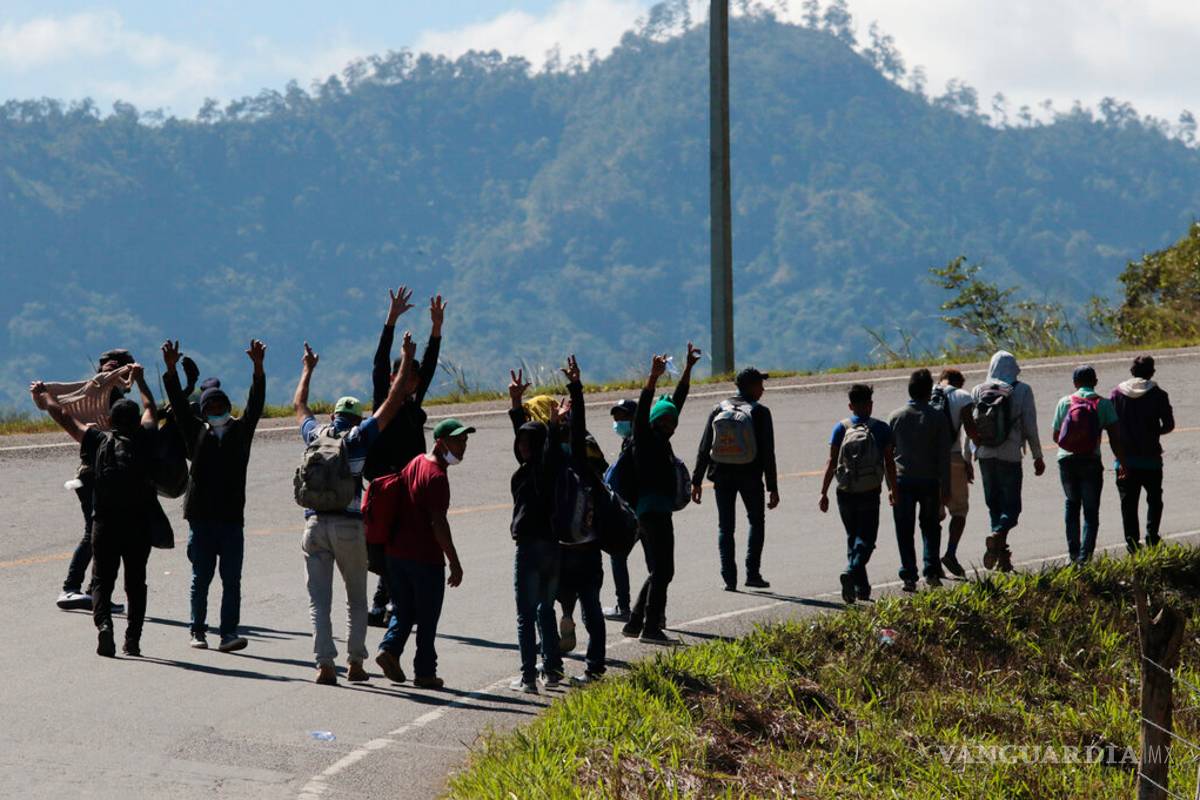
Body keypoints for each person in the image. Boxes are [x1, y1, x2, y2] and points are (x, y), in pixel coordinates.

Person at [294, 339, 411, 686]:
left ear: (332, 416)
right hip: (349, 526)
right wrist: (405, 360)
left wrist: (308, 369)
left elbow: (299, 404)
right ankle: (355, 664)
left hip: (314, 525)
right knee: (356, 601)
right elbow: (392, 403)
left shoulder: (315, 435)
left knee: (319, 602)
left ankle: (324, 664)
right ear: (356, 417)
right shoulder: (360, 437)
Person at [33, 365, 159, 657]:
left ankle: (104, 626)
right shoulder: (146, 438)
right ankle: (133, 641)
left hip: (105, 524)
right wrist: (139, 379)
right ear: (135, 422)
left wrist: (46, 396)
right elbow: (151, 407)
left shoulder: (97, 441)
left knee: (102, 580)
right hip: (138, 525)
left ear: (110, 421)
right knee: (135, 582)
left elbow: (65, 417)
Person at [162, 339, 267, 652]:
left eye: (221, 407)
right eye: (212, 408)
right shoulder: (196, 432)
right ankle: (197, 630)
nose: (217, 411)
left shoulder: (241, 431)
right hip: (202, 518)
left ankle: (228, 634)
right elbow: (179, 408)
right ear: (204, 411)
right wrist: (170, 370)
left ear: (228, 408)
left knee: (231, 580)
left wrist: (258, 368)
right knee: (201, 578)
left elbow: (256, 403)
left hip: (232, 519)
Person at [31, 348, 140, 612]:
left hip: (98, 476)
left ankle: (95, 592)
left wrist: (43, 396)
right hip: (94, 475)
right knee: (95, 532)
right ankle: (70, 588)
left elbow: (58, 408)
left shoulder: (112, 395)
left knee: (106, 535)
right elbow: (62, 411)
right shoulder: (108, 397)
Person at [364, 288, 445, 627]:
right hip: (384, 482)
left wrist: (436, 328)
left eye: (415, 378)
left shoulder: (413, 403)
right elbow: (380, 361)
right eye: (407, 375)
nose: (413, 382)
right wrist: (391, 320)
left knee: (401, 542)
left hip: (410, 485)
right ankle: (386, 602)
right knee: (385, 541)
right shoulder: (385, 402)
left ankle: (386, 602)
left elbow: (429, 364)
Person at [374, 418, 469, 690]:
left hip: (396, 554)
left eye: (464, 441)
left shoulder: (416, 462)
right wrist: (454, 562)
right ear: (440, 443)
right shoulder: (437, 477)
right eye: (457, 440)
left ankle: (389, 649)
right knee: (427, 618)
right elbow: (438, 523)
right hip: (424, 558)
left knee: (404, 610)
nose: (462, 446)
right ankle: (425, 672)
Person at [621, 343, 700, 645]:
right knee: (664, 570)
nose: (669, 424)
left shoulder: (661, 438)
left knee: (659, 570)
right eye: (664, 420)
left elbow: (675, 403)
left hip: (656, 510)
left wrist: (688, 369)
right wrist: (652, 379)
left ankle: (636, 622)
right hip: (651, 511)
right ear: (654, 422)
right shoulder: (644, 438)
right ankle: (650, 628)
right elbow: (644, 411)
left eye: (672, 422)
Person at [505, 367, 571, 692]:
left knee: (526, 614)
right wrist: (516, 404)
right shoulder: (538, 468)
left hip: (531, 547)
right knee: (545, 609)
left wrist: (555, 424)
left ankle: (529, 677)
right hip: (552, 548)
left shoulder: (545, 468)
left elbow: (543, 444)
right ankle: (553, 669)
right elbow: (531, 435)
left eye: (526, 443)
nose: (522, 446)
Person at [690, 367, 780, 591]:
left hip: (721, 475)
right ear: (750, 387)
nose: (763, 389)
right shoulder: (760, 412)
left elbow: (704, 447)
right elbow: (768, 452)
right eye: (760, 384)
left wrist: (696, 481)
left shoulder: (718, 408)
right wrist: (772, 487)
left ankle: (729, 579)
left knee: (725, 527)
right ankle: (752, 573)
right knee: (756, 522)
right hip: (750, 475)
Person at [819, 384, 896, 603]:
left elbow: (831, 461)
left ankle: (861, 588)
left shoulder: (840, 428)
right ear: (870, 405)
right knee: (867, 540)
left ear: (850, 406)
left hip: (844, 491)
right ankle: (851, 573)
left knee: (853, 538)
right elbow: (889, 463)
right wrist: (893, 489)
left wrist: (823, 492)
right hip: (869, 490)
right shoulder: (881, 429)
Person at [971, 351, 1045, 572]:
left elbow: (971, 426)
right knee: (1012, 508)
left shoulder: (977, 390)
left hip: (984, 455)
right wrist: (1037, 456)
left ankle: (1002, 556)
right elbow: (1030, 425)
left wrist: (970, 455)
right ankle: (999, 535)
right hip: (1010, 454)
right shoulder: (1022, 390)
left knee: (994, 504)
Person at [888, 369, 952, 591]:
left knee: (904, 529)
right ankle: (931, 571)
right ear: (928, 391)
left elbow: (888, 456)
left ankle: (909, 575)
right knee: (931, 527)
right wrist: (946, 488)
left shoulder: (896, 417)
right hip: (930, 481)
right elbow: (944, 456)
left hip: (902, 481)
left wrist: (889, 486)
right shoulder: (937, 417)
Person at [1051, 365, 1123, 564]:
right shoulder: (1104, 404)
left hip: (1066, 460)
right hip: (1091, 460)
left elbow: (1056, 436)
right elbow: (1115, 437)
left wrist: (1073, 441)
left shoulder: (1064, 402)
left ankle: (1072, 555)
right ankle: (1085, 558)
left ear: (1075, 383)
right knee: (1091, 511)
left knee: (1071, 505)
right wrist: (1121, 460)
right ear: (1096, 382)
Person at [1110, 356, 1175, 551]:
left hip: (1123, 461)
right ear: (1151, 372)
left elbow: (1109, 425)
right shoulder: (1159, 394)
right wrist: (1154, 433)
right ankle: (1152, 537)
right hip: (1151, 460)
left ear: (1132, 371)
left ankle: (1132, 543)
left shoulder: (1116, 394)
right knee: (1154, 499)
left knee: (1128, 503)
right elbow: (1169, 425)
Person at [933, 369, 978, 577]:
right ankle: (950, 553)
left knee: (933, 514)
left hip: (929, 463)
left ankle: (931, 561)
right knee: (959, 511)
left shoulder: (928, 392)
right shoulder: (963, 396)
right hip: (952, 459)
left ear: (941, 379)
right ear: (959, 382)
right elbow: (970, 430)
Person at [602, 399, 638, 621]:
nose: (618, 423)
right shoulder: (629, 442)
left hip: (634, 512)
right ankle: (656, 611)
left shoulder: (636, 443)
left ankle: (623, 607)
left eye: (623, 418)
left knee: (617, 556)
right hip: (638, 511)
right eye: (616, 419)